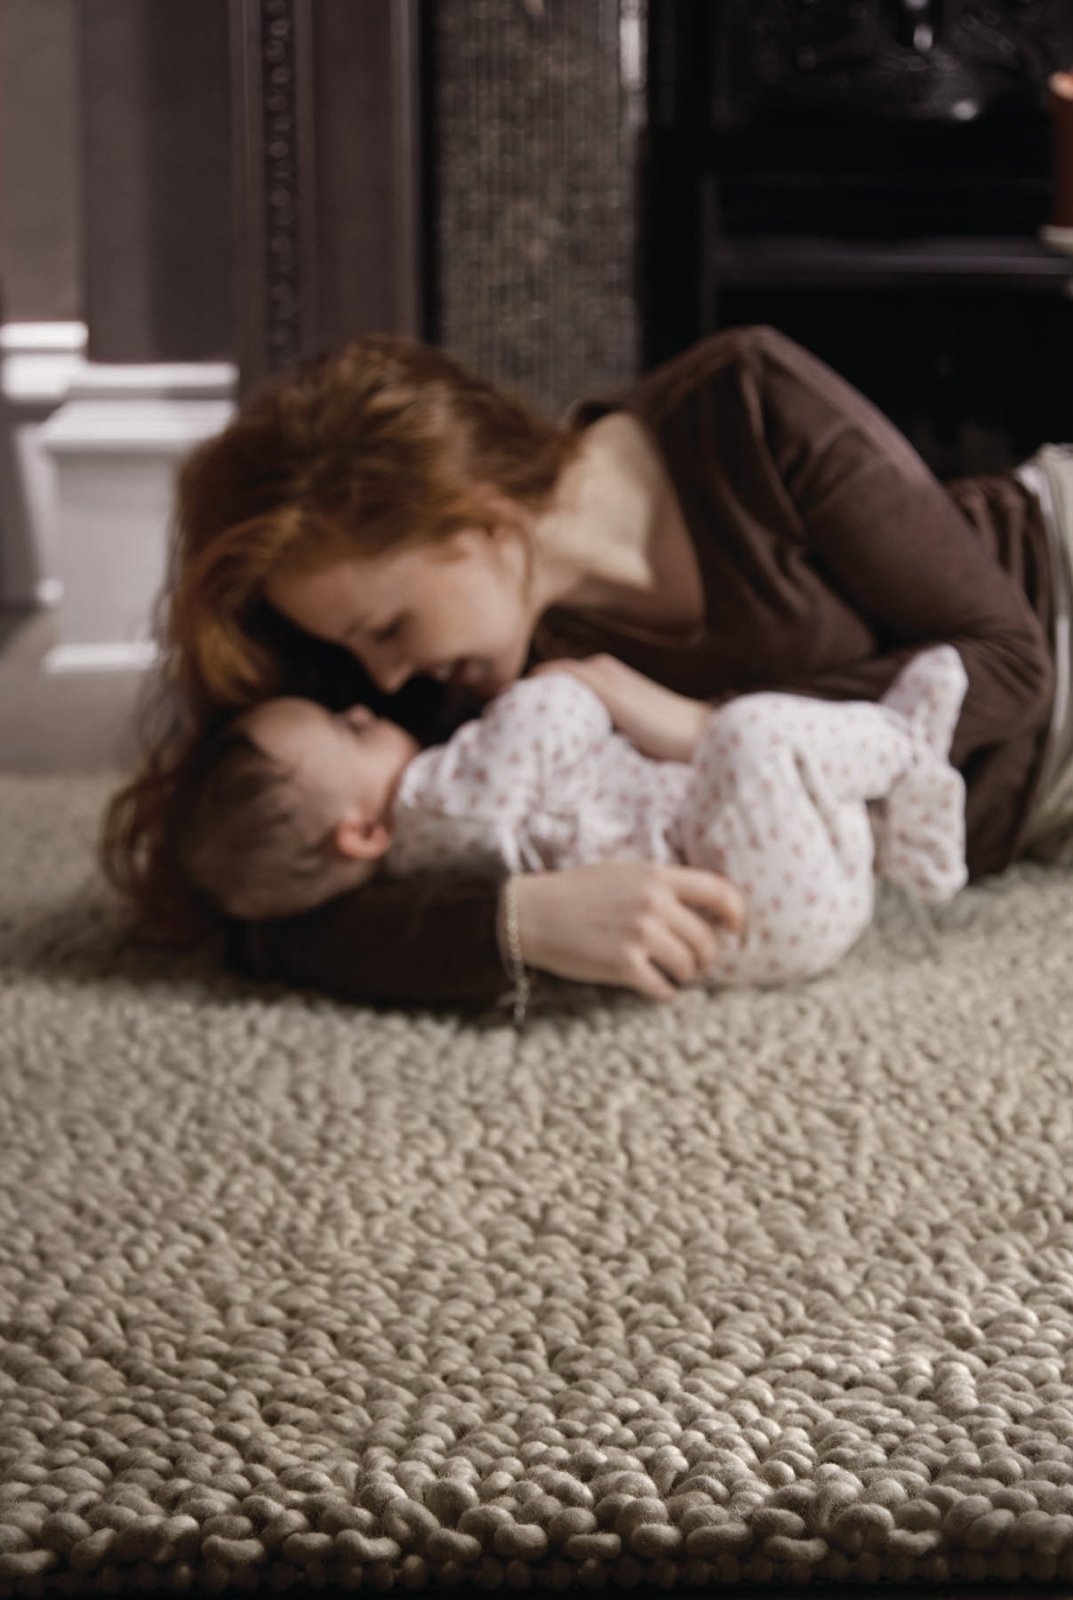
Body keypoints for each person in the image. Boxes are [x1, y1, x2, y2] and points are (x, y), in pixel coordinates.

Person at [101, 324, 1070, 1011]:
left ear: (474, 515)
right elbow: (263, 911)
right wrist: (515, 922)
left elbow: (1007, 665)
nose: (383, 682)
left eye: (387, 627)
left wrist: (694, 723)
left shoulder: (744, 404)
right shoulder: (468, 698)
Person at [167, 647, 969, 993]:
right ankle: (911, 766)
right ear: (360, 834)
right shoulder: (438, 801)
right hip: (747, 900)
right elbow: (551, 715)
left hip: (766, 901)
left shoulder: (420, 867)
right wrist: (571, 683)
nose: (362, 706)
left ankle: (894, 813)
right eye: (348, 732)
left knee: (760, 760)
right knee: (747, 733)